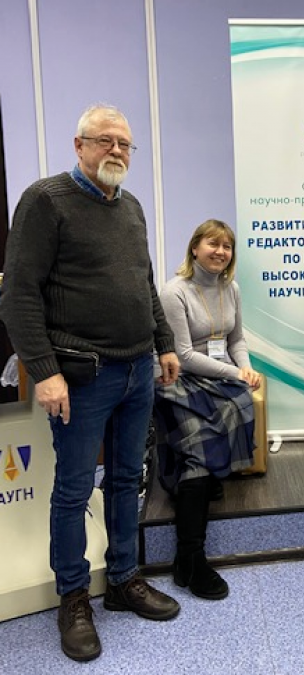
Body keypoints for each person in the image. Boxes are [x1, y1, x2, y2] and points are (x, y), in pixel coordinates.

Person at [0, 104, 181, 662]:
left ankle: (124, 579)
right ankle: (74, 596)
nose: (117, 151)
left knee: (127, 480)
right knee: (75, 489)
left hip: (136, 371)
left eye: (125, 143)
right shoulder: (45, 200)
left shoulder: (131, 208)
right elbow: (18, 294)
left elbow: (144, 284)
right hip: (81, 377)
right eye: (106, 140)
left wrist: (164, 343)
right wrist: (45, 370)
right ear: (79, 145)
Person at [154, 219, 261, 600]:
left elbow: (236, 340)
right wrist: (235, 373)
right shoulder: (174, 292)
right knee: (196, 460)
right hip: (178, 380)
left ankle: (206, 476)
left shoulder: (231, 288)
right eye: (213, 244)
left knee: (241, 401)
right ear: (195, 248)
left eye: (227, 246)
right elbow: (182, 355)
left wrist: (246, 369)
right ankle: (191, 557)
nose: (220, 252)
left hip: (216, 375)